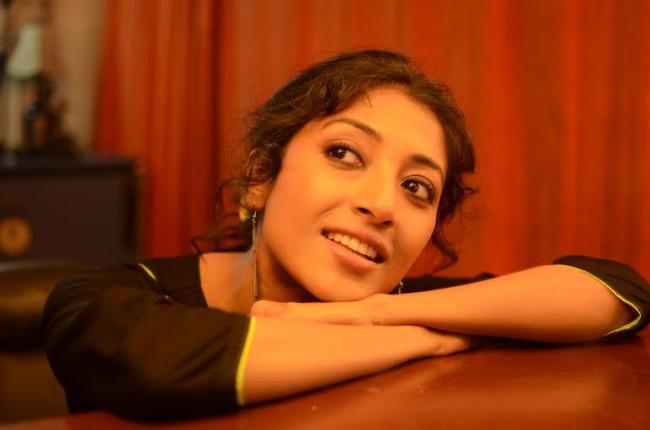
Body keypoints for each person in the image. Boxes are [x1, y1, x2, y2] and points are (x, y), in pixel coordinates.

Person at [42, 50, 650, 421]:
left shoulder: (394, 306)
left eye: (417, 187)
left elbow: (618, 292)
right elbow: (162, 366)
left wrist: (373, 315)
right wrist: (428, 341)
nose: (382, 205)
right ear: (261, 177)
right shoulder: (102, 299)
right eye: (344, 153)